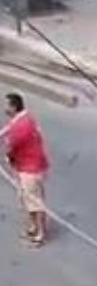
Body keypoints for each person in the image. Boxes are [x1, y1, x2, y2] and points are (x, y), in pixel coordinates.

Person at [2, 93, 49, 247]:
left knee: (34, 201)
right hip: (33, 165)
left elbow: (10, 147)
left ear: (14, 107)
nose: (4, 108)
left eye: (7, 105)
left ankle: (40, 234)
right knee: (26, 198)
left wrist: (7, 157)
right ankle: (33, 227)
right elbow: (9, 128)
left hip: (29, 168)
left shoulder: (19, 128)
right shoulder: (25, 118)